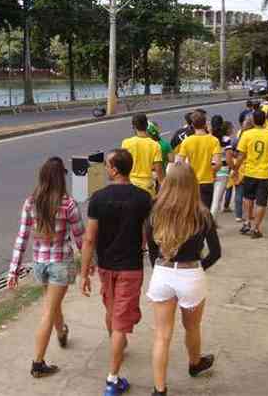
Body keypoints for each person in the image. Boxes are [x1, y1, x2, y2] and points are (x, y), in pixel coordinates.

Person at [80, 149, 152, 396]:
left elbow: (89, 239)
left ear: (114, 169)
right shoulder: (143, 198)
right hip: (130, 266)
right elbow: (147, 233)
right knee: (119, 320)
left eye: (108, 166)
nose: (106, 169)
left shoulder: (98, 198)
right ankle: (113, 380)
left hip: (106, 266)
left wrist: (84, 271)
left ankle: (116, 348)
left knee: (113, 313)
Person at [146, 163, 221, 396]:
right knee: (192, 327)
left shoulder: (156, 210)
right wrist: (199, 268)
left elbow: (150, 246)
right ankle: (195, 363)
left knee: (161, 335)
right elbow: (216, 252)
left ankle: (159, 389)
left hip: (162, 272)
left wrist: (158, 268)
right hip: (191, 275)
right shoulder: (202, 213)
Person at [8, 157, 85, 378]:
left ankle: (62, 332)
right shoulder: (68, 204)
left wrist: (13, 270)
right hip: (60, 263)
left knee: (53, 304)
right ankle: (38, 363)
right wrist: (90, 263)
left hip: (40, 264)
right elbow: (80, 238)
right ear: (61, 177)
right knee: (49, 311)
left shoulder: (31, 202)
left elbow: (22, 238)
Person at [233, 109, 268, 239]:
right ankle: (256, 228)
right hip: (264, 174)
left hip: (249, 172)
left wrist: (236, 168)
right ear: (265, 120)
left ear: (253, 120)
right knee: (261, 202)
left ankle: (248, 221)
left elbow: (241, 155)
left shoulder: (247, 134)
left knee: (248, 198)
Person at [176, 112, 222, 209]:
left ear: (192, 125)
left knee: (191, 211)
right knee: (204, 211)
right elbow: (218, 163)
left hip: (191, 182)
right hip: (207, 181)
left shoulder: (187, 141)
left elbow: (179, 163)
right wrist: (211, 171)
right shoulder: (214, 140)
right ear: (205, 124)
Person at [121, 113, 164, 196]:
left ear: (133, 127)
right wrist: (162, 185)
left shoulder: (126, 143)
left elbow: (122, 165)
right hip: (147, 186)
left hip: (130, 184)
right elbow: (158, 168)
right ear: (147, 125)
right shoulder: (155, 145)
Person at [210, 119, 235, 216]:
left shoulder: (209, 138)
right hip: (223, 170)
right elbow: (229, 159)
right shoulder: (226, 140)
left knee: (209, 198)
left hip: (209, 169)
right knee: (217, 200)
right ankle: (212, 222)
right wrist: (234, 168)